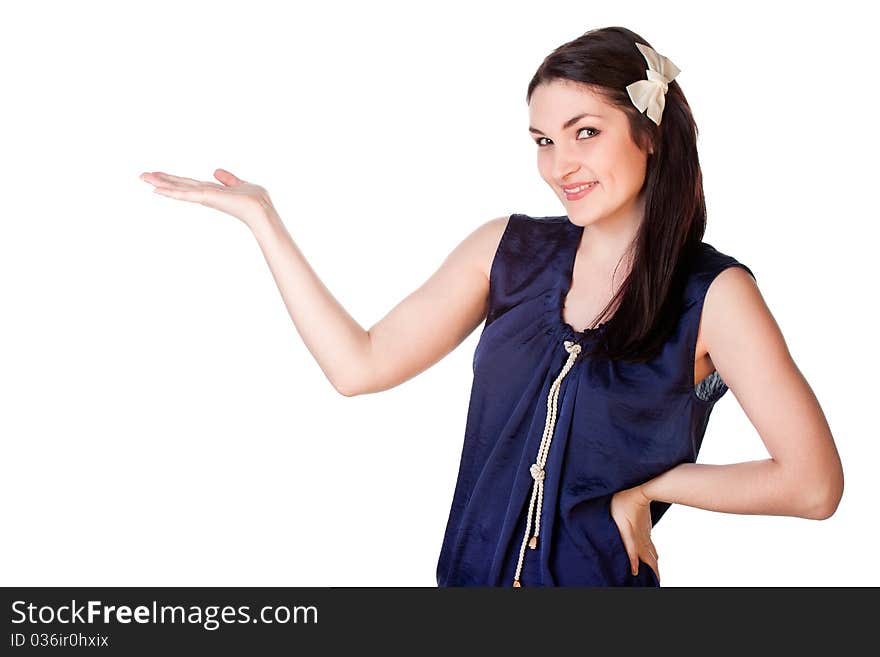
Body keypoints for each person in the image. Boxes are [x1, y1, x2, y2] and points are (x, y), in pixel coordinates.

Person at [139, 25, 844, 587]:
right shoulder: (505, 250)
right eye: (543, 140)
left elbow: (812, 484)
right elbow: (359, 364)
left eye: (585, 131)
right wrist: (265, 220)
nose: (559, 164)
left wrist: (653, 486)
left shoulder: (716, 294)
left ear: (650, 133)